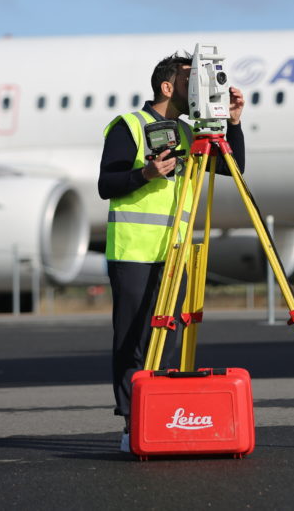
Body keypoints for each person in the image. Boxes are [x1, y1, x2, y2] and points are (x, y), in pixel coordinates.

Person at [97, 53, 245, 453]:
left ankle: (166, 415)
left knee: (173, 334)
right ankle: (132, 422)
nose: (197, 86)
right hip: (133, 251)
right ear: (167, 87)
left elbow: (234, 168)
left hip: (175, 251)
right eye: (188, 79)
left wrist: (233, 123)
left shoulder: (185, 131)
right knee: (133, 338)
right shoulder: (129, 126)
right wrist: (144, 174)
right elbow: (106, 183)